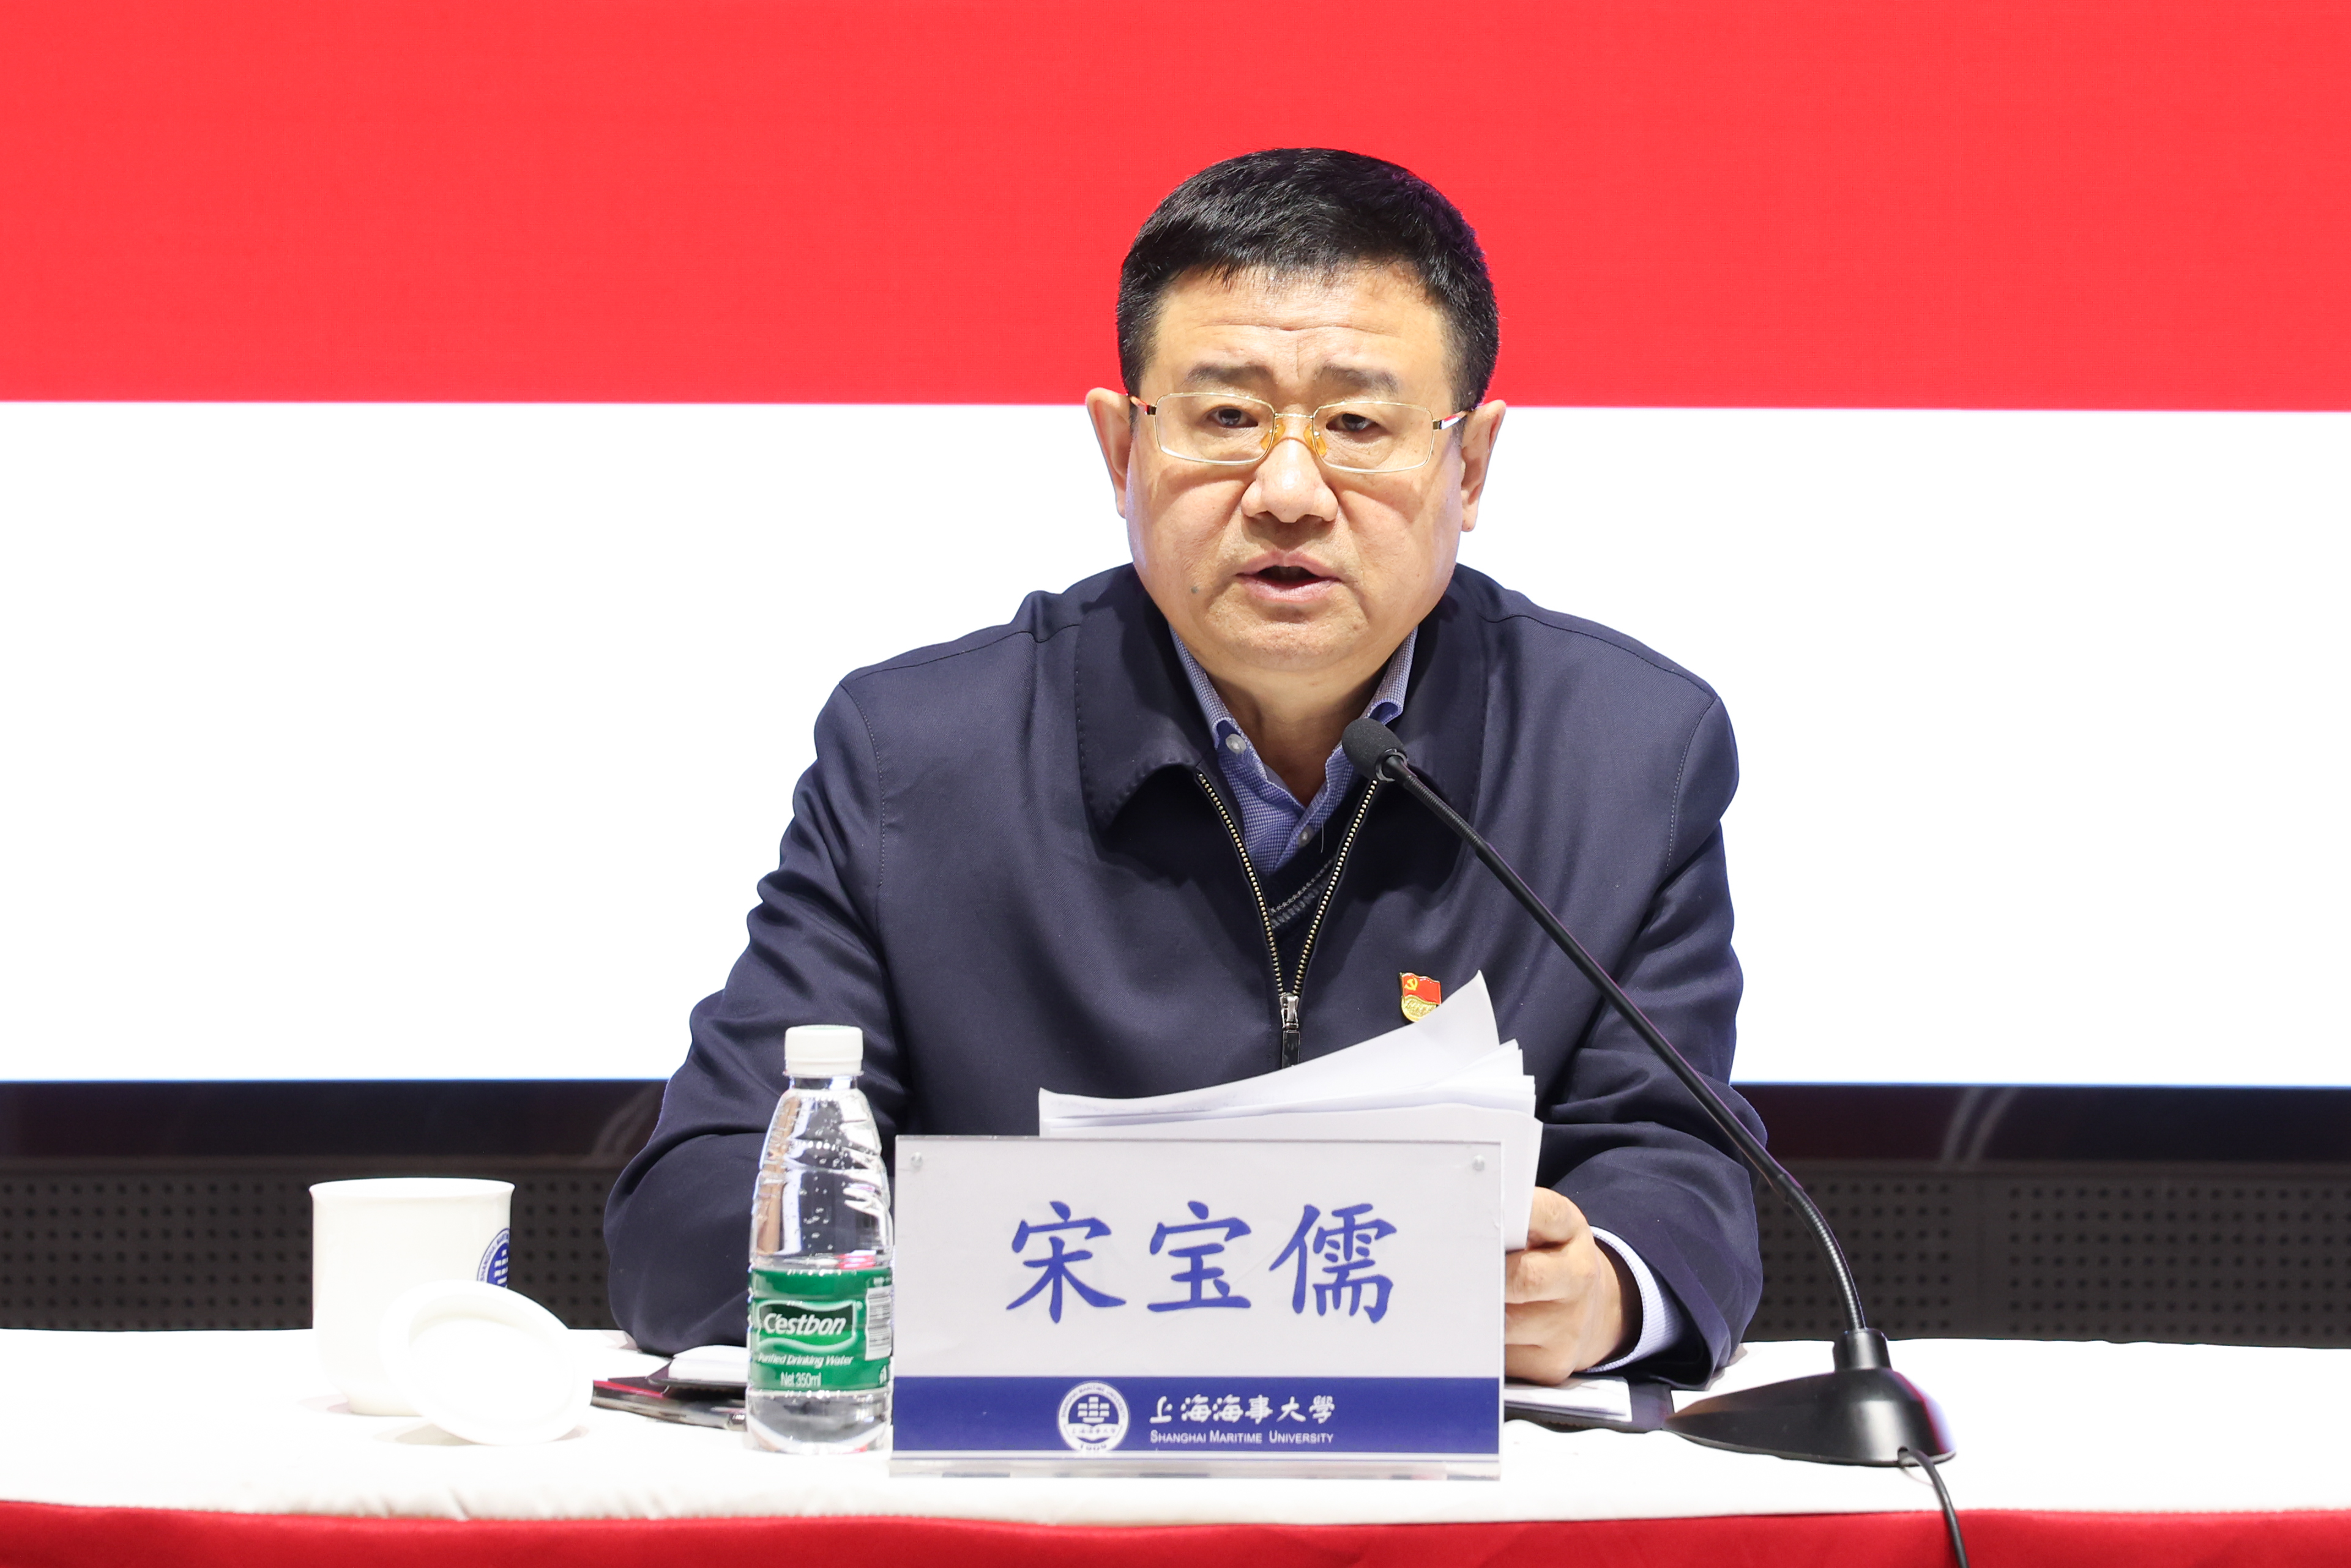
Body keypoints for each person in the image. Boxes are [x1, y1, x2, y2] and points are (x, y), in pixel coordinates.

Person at [606, 148, 1763, 1386]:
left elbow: (1677, 1171)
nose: (1287, 491)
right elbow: (695, 1211)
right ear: (1121, 451)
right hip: (1042, 1467)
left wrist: (1599, 1294)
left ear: (1467, 465)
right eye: (1224, 419)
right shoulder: (917, 759)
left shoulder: (1626, 753)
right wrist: (1035, 1283)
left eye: (1357, 425)